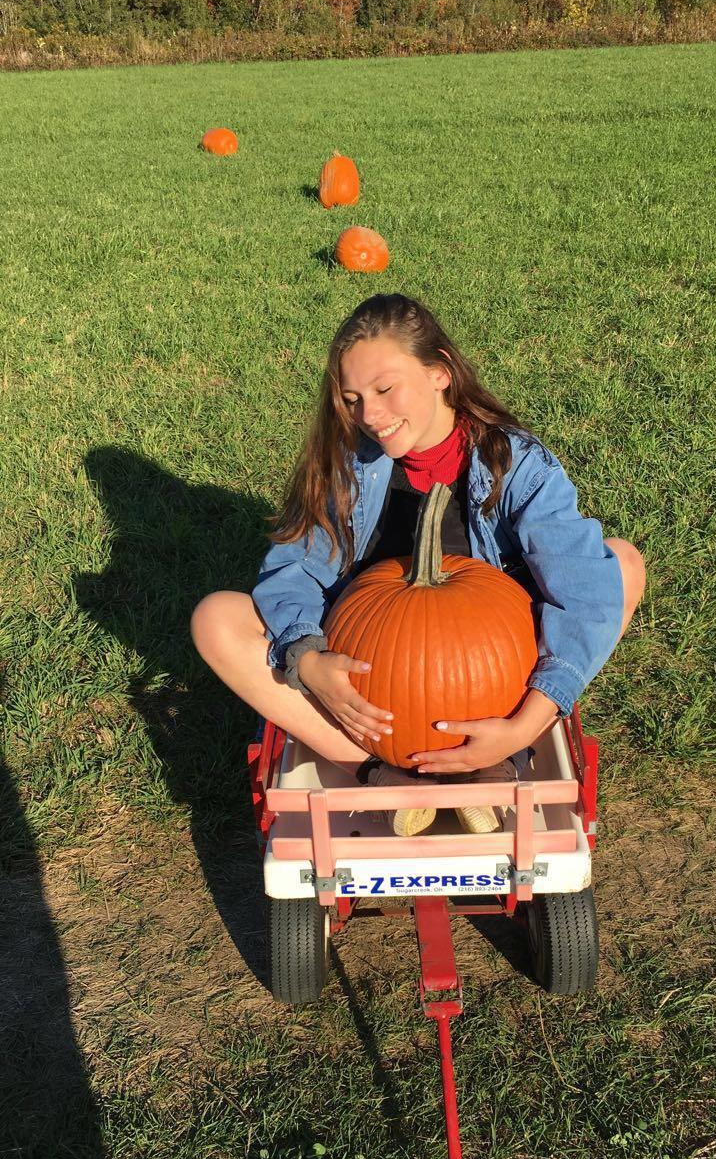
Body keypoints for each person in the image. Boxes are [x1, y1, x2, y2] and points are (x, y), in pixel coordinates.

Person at [191, 294, 645, 838]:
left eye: (385, 389)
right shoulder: (346, 465)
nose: (370, 415)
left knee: (621, 563)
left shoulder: (516, 464)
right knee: (216, 618)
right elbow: (293, 570)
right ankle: (378, 771)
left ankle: (499, 755)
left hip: (487, 674)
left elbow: (582, 588)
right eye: (353, 399)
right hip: (372, 685)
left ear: (439, 374)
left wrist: (524, 726)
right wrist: (306, 660)